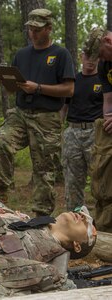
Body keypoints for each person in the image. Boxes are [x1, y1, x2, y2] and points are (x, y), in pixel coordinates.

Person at [0, 8, 75, 216]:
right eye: (30, 29)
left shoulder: (60, 54)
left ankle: (41, 216)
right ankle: (1, 199)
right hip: (21, 112)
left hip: (47, 117)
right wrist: (8, 82)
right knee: (1, 143)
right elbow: (16, 84)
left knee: (44, 169)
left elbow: (69, 89)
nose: (33, 33)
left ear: (48, 28)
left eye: (37, 29)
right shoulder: (21, 54)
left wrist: (38, 87)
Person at [61, 52, 103, 211]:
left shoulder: (103, 79)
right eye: (87, 57)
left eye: (95, 57)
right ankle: (75, 220)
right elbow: (63, 107)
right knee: (73, 182)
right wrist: (59, 129)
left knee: (101, 179)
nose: (91, 61)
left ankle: (104, 221)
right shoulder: (73, 81)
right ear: (81, 57)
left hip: (95, 133)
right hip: (73, 132)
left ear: (99, 58)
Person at [82, 27, 112, 232]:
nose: (99, 59)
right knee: (104, 171)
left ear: (108, 41)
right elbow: (108, 100)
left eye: (100, 54)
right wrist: (107, 121)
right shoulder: (104, 66)